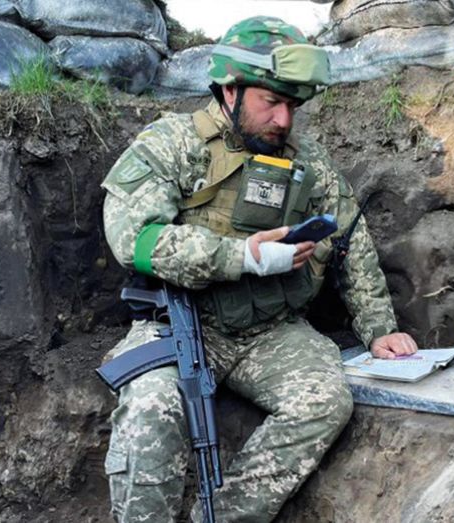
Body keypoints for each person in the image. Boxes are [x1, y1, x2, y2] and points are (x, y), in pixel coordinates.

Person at [100, 16, 418, 522]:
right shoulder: (173, 144)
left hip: (269, 330)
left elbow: (349, 234)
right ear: (230, 90)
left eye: (291, 105)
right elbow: (134, 241)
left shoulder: (304, 159)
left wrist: (380, 329)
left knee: (325, 400)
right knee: (150, 407)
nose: (284, 120)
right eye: (271, 102)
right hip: (182, 322)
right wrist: (243, 256)